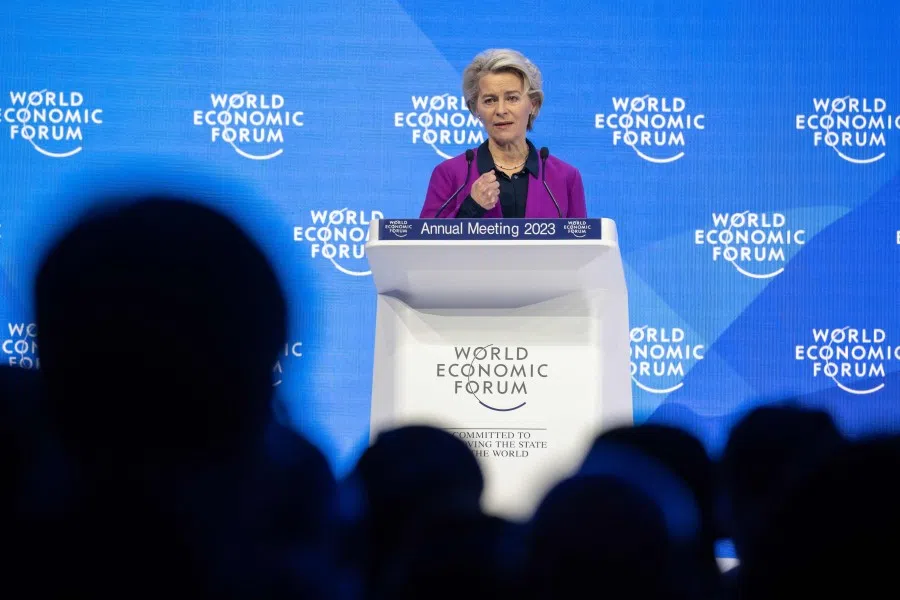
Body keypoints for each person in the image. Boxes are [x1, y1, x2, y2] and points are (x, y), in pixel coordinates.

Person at [420, 49, 587, 219]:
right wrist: (471, 207)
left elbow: (582, 236)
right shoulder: (450, 174)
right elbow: (425, 235)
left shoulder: (565, 178)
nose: (501, 110)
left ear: (533, 104)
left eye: (512, 98)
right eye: (489, 100)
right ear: (476, 109)